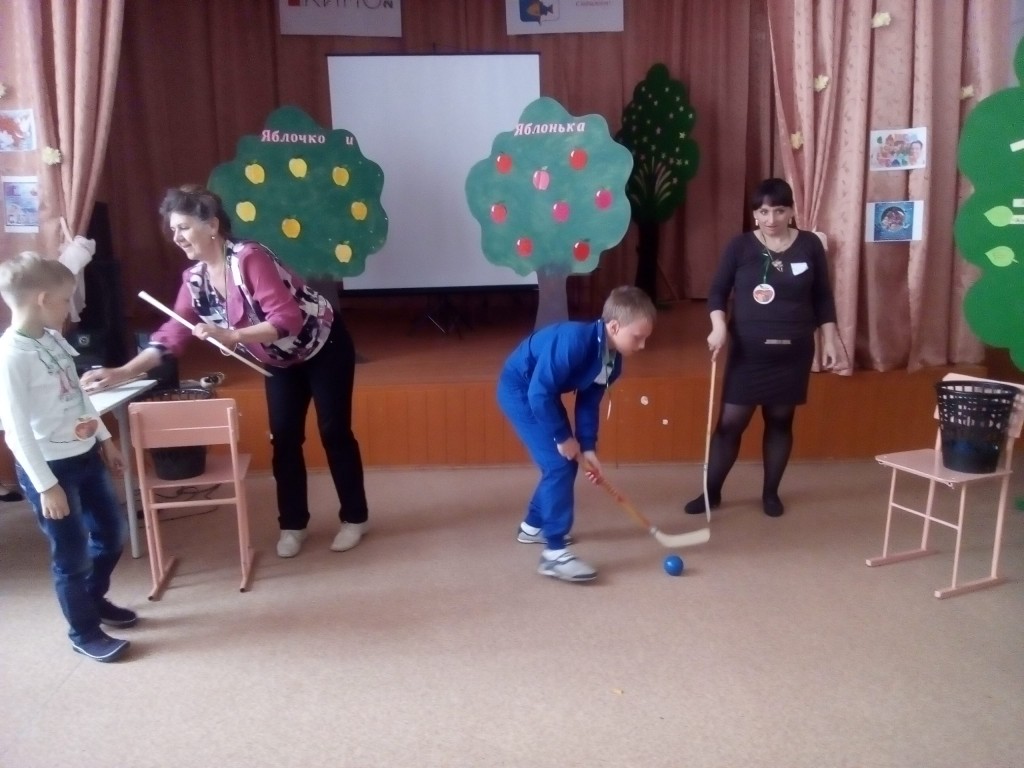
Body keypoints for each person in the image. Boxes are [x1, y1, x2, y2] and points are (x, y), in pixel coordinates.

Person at [81, 185, 369, 559]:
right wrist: (122, 371)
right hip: (279, 360)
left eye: (184, 227)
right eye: (173, 229)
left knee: (334, 432)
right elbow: (172, 334)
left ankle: (354, 518)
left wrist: (232, 336)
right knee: (283, 439)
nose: (176, 237)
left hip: (323, 345)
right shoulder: (194, 279)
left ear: (212, 225)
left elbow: (287, 319)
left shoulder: (250, 258)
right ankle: (293, 524)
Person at [0, 252, 134, 662]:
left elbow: (77, 395)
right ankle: (84, 631)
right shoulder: (12, 356)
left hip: (86, 455)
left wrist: (106, 439)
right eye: (64, 301)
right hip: (50, 469)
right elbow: (16, 432)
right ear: (42, 299)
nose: (69, 309)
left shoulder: (53, 339)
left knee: (112, 534)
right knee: (72, 555)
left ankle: (92, 600)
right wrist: (46, 486)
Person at [684, 178, 838, 518]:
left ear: (792, 211)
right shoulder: (739, 247)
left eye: (779, 210)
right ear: (755, 213)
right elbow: (717, 292)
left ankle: (770, 494)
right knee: (730, 425)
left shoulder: (810, 245)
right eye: (764, 211)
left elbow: (823, 296)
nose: (771, 219)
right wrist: (718, 327)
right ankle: (711, 493)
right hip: (748, 355)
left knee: (780, 422)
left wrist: (829, 338)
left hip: (793, 353)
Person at [497, 286, 656, 583]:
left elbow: (588, 403)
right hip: (521, 389)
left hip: (543, 392)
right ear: (614, 327)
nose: (643, 344)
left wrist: (588, 448)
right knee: (559, 465)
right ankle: (554, 555)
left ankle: (532, 527)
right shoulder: (573, 341)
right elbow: (538, 394)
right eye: (638, 337)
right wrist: (562, 438)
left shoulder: (613, 361)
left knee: (564, 463)